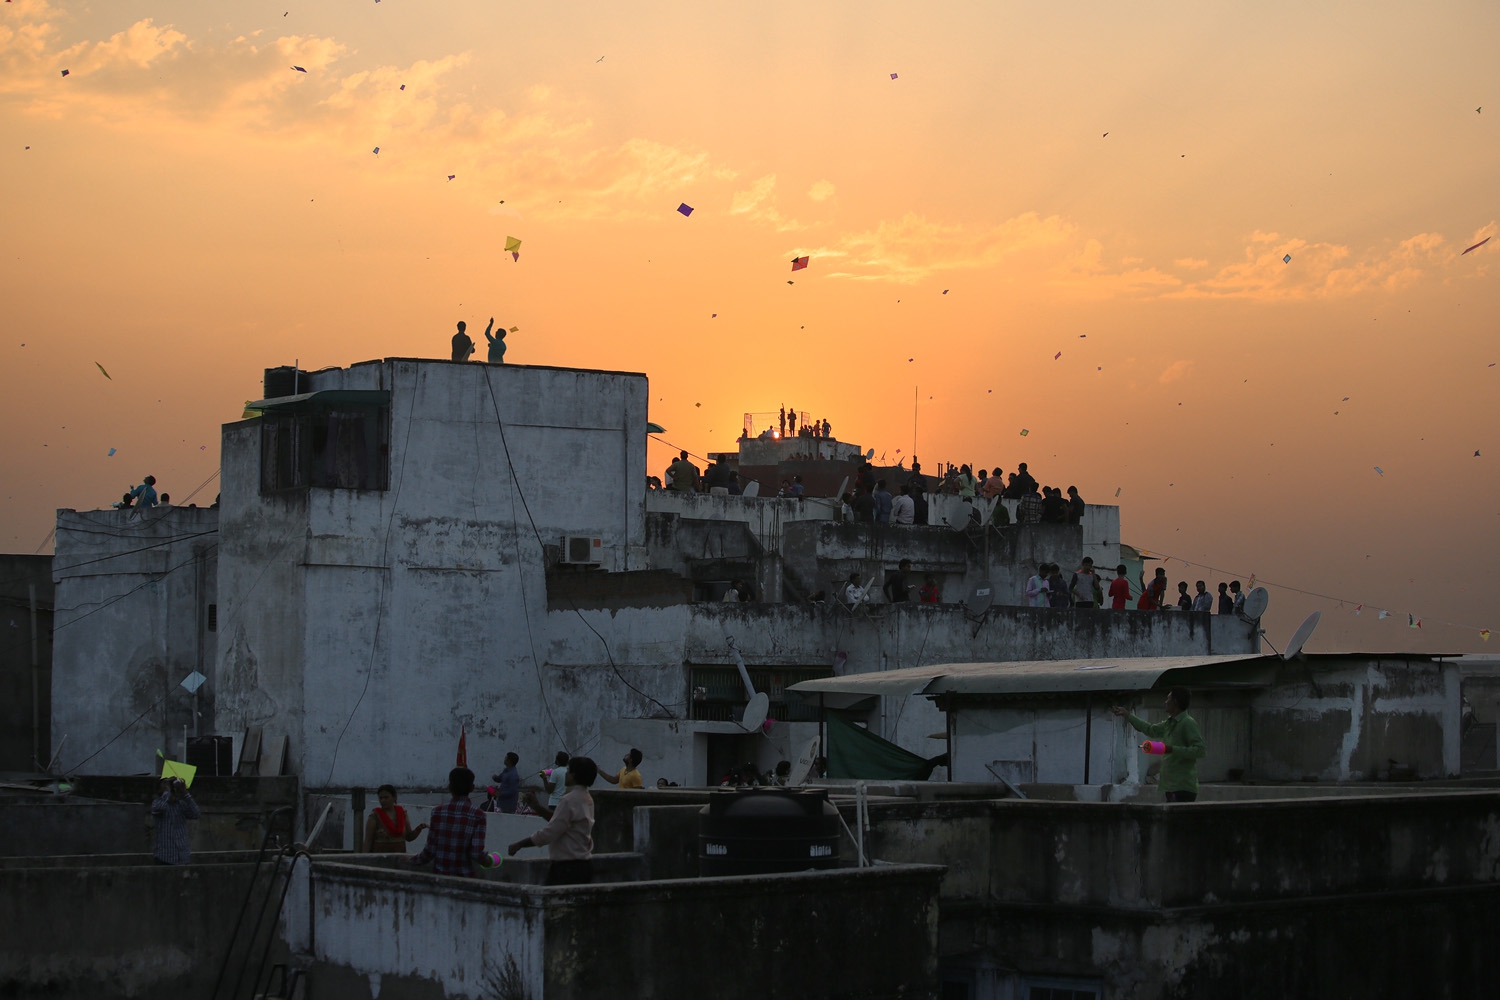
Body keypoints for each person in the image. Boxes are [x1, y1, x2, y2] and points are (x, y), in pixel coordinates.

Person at [509, 756, 598, 886]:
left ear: (573, 775)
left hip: (567, 867)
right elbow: (560, 822)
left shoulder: (569, 800)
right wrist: (537, 807)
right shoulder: (586, 797)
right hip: (584, 865)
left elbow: (550, 832)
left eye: (568, 771)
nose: (566, 774)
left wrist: (519, 844)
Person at [1111, 689, 1206, 802]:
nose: (1165, 702)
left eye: (1168, 699)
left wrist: (1172, 749)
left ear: (1175, 702)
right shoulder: (1169, 723)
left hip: (1183, 787)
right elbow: (1150, 729)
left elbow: (1200, 750)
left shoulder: (1187, 723)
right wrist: (1127, 715)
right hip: (1171, 786)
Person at [411, 767, 488, 877]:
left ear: (450, 787)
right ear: (472, 788)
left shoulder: (437, 812)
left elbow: (429, 851)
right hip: (465, 879)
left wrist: (410, 861)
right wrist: (488, 861)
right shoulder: (478, 815)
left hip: (441, 878)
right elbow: (476, 853)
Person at [364, 784, 428, 852]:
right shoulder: (375, 815)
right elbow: (368, 841)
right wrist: (364, 858)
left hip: (400, 855)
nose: (383, 801)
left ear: (394, 797)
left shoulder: (402, 813)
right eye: (381, 798)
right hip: (381, 856)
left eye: (386, 798)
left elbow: (409, 837)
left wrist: (419, 829)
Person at [151, 776, 200, 865]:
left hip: (182, 857)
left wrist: (185, 793)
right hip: (164, 857)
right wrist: (166, 791)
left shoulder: (181, 805)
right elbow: (159, 808)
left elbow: (196, 814)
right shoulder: (157, 803)